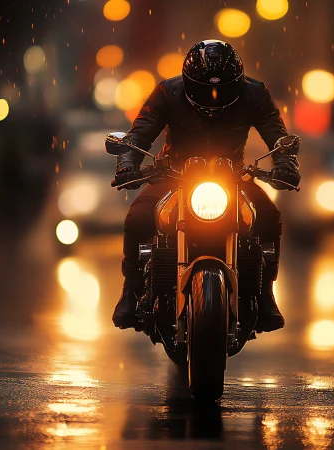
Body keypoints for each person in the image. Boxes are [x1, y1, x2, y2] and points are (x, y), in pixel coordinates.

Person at [110, 40, 301, 332]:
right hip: (174, 174)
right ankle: (130, 290)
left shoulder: (255, 93)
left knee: (269, 218)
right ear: (188, 82)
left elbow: (277, 133)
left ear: (238, 83)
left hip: (233, 176)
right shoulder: (167, 92)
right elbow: (140, 134)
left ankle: (264, 294)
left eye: (222, 89)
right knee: (138, 217)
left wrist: (286, 162)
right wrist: (127, 162)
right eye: (205, 88)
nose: (213, 97)